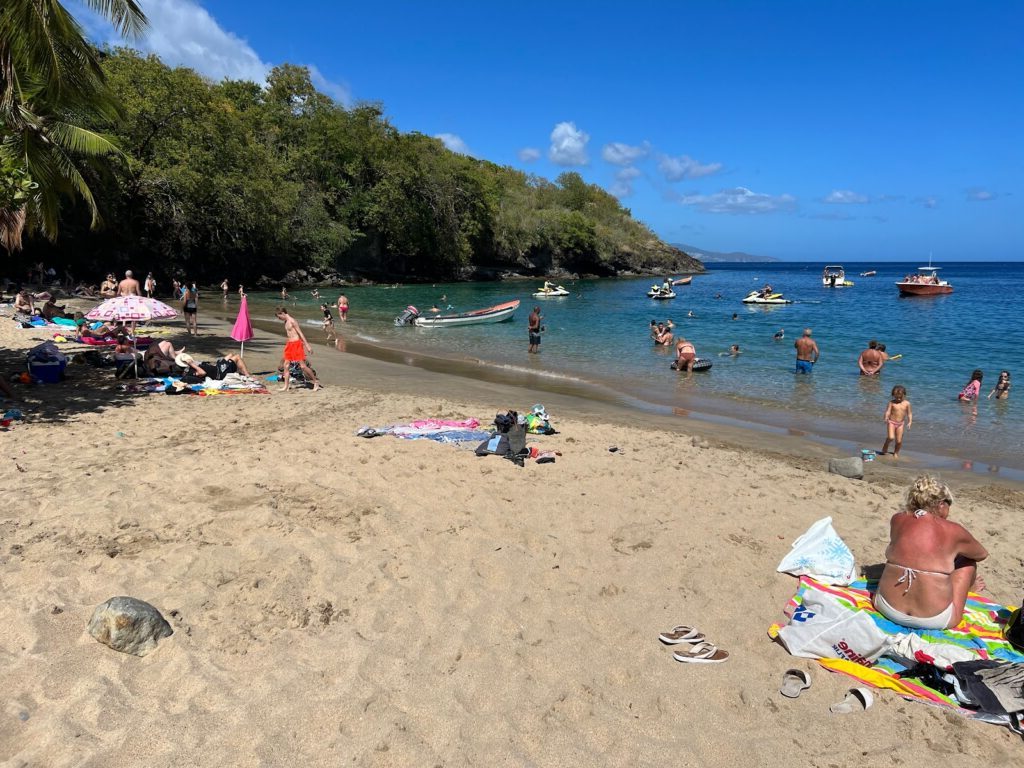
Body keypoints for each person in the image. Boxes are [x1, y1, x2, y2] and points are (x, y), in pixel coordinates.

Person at [873, 475, 987, 630]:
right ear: (941, 504)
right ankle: (968, 590)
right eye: (949, 504)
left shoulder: (897, 519)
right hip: (935, 620)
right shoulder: (953, 530)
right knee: (967, 562)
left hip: (886, 607)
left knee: (902, 553)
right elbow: (981, 554)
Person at [275, 307, 320, 391]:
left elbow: (300, 333)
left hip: (297, 344)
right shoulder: (286, 321)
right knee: (286, 365)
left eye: (279, 316)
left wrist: (307, 345)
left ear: (282, 313)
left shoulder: (292, 321)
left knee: (303, 366)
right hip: (290, 345)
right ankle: (286, 386)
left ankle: (315, 381)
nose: (279, 318)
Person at [881, 385, 912, 459]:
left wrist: (910, 422)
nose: (898, 399)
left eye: (900, 397)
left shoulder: (907, 403)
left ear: (904, 395)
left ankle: (896, 453)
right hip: (891, 422)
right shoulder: (891, 403)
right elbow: (888, 411)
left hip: (900, 424)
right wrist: (886, 417)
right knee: (891, 437)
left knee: (899, 441)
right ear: (893, 395)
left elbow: (909, 413)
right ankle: (886, 443)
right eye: (896, 397)